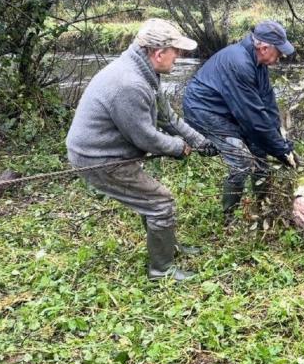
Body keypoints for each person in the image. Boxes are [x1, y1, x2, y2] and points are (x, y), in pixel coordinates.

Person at [66, 18, 218, 282]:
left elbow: (167, 118)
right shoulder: (130, 84)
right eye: (177, 53)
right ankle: (162, 270)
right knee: (160, 202)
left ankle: (165, 244)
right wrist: (177, 148)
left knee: (151, 200)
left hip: (110, 150)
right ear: (158, 53)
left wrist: (200, 142)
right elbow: (146, 138)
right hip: (97, 157)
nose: (179, 58)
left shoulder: (146, 72)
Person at [183, 20, 299, 221]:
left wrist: (283, 144)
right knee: (241, 159)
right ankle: (230, 218)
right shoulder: (240, 64)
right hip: (203, 110)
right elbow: (253, 119)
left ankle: (264, 206)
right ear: (263, 47)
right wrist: (280, 151)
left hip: (226, 108)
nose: (280, 57)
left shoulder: (258, 63)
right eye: (278, 52)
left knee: (260, 150)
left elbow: (267, 106)